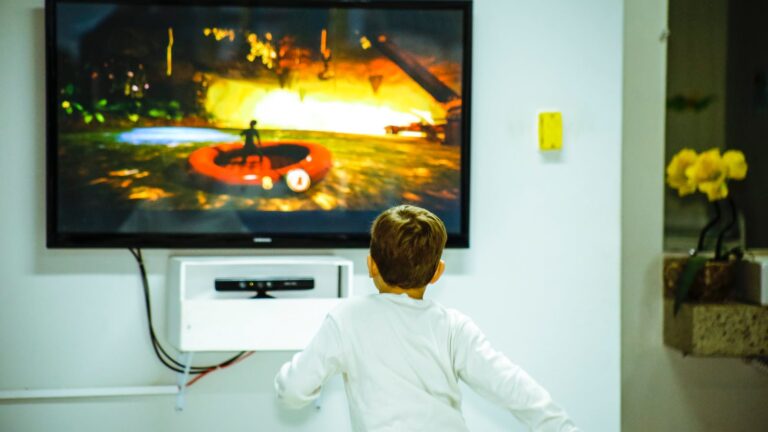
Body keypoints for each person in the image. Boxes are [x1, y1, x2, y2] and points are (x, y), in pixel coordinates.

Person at [274, 205, 579, 432]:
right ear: (437, 273)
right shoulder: (453, 327)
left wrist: (288, 376)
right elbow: (511, 386)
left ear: (371, 265)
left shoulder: (347, 320)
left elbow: (293, 392)